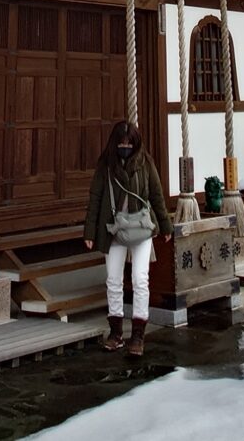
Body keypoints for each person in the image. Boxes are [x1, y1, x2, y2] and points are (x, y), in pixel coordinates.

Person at [81, 119, 172, 356]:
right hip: (113, 228)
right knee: (113, 279)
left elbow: (156, 194)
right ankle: (116, 332)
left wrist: (165, 225)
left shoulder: (145, 163)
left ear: (136, 143)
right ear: (114, 144)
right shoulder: (106, 165)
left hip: (141, 227)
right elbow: (95, 197)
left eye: (129, 143)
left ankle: (138, 335)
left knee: (140, 279)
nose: (125, 147)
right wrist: (89, 231)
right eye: (121, 143)